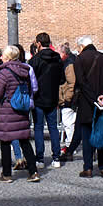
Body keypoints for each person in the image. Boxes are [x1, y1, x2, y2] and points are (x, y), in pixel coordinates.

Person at [0, 45, 39, 181]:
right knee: (24, 140)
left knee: (5, 142)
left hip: (7, 110)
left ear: (7, 57)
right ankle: (33, 172)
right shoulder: (25, 70)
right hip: (21, 109)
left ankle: (6, 174)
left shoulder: (5, 73)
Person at [73, 36, 103, 177]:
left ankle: (88, 167)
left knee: (86, 137)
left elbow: (82, 82)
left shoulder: (79, 59)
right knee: (101, 134)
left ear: (81, 46)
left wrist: (93, 99)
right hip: (102, 104)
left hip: (86, 104)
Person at [31, 31, 65, 168]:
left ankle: (40, 158)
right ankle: (56, 157)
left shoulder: (35, 60)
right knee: (53, 128)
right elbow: (62, 79)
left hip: (38, 98)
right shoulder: (57, 58)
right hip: (53, 97)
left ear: (38, 44)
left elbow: (31, 80)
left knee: (38, 128)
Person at [58, 42, 77, 160]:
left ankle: (70, 146)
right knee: (69, 123)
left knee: (68, 123)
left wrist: (67, 98)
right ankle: (70, 144)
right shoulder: (70, 62)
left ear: (64, 53)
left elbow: (71, 82)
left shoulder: (69, 64)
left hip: (68, 99)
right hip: (68, 98)